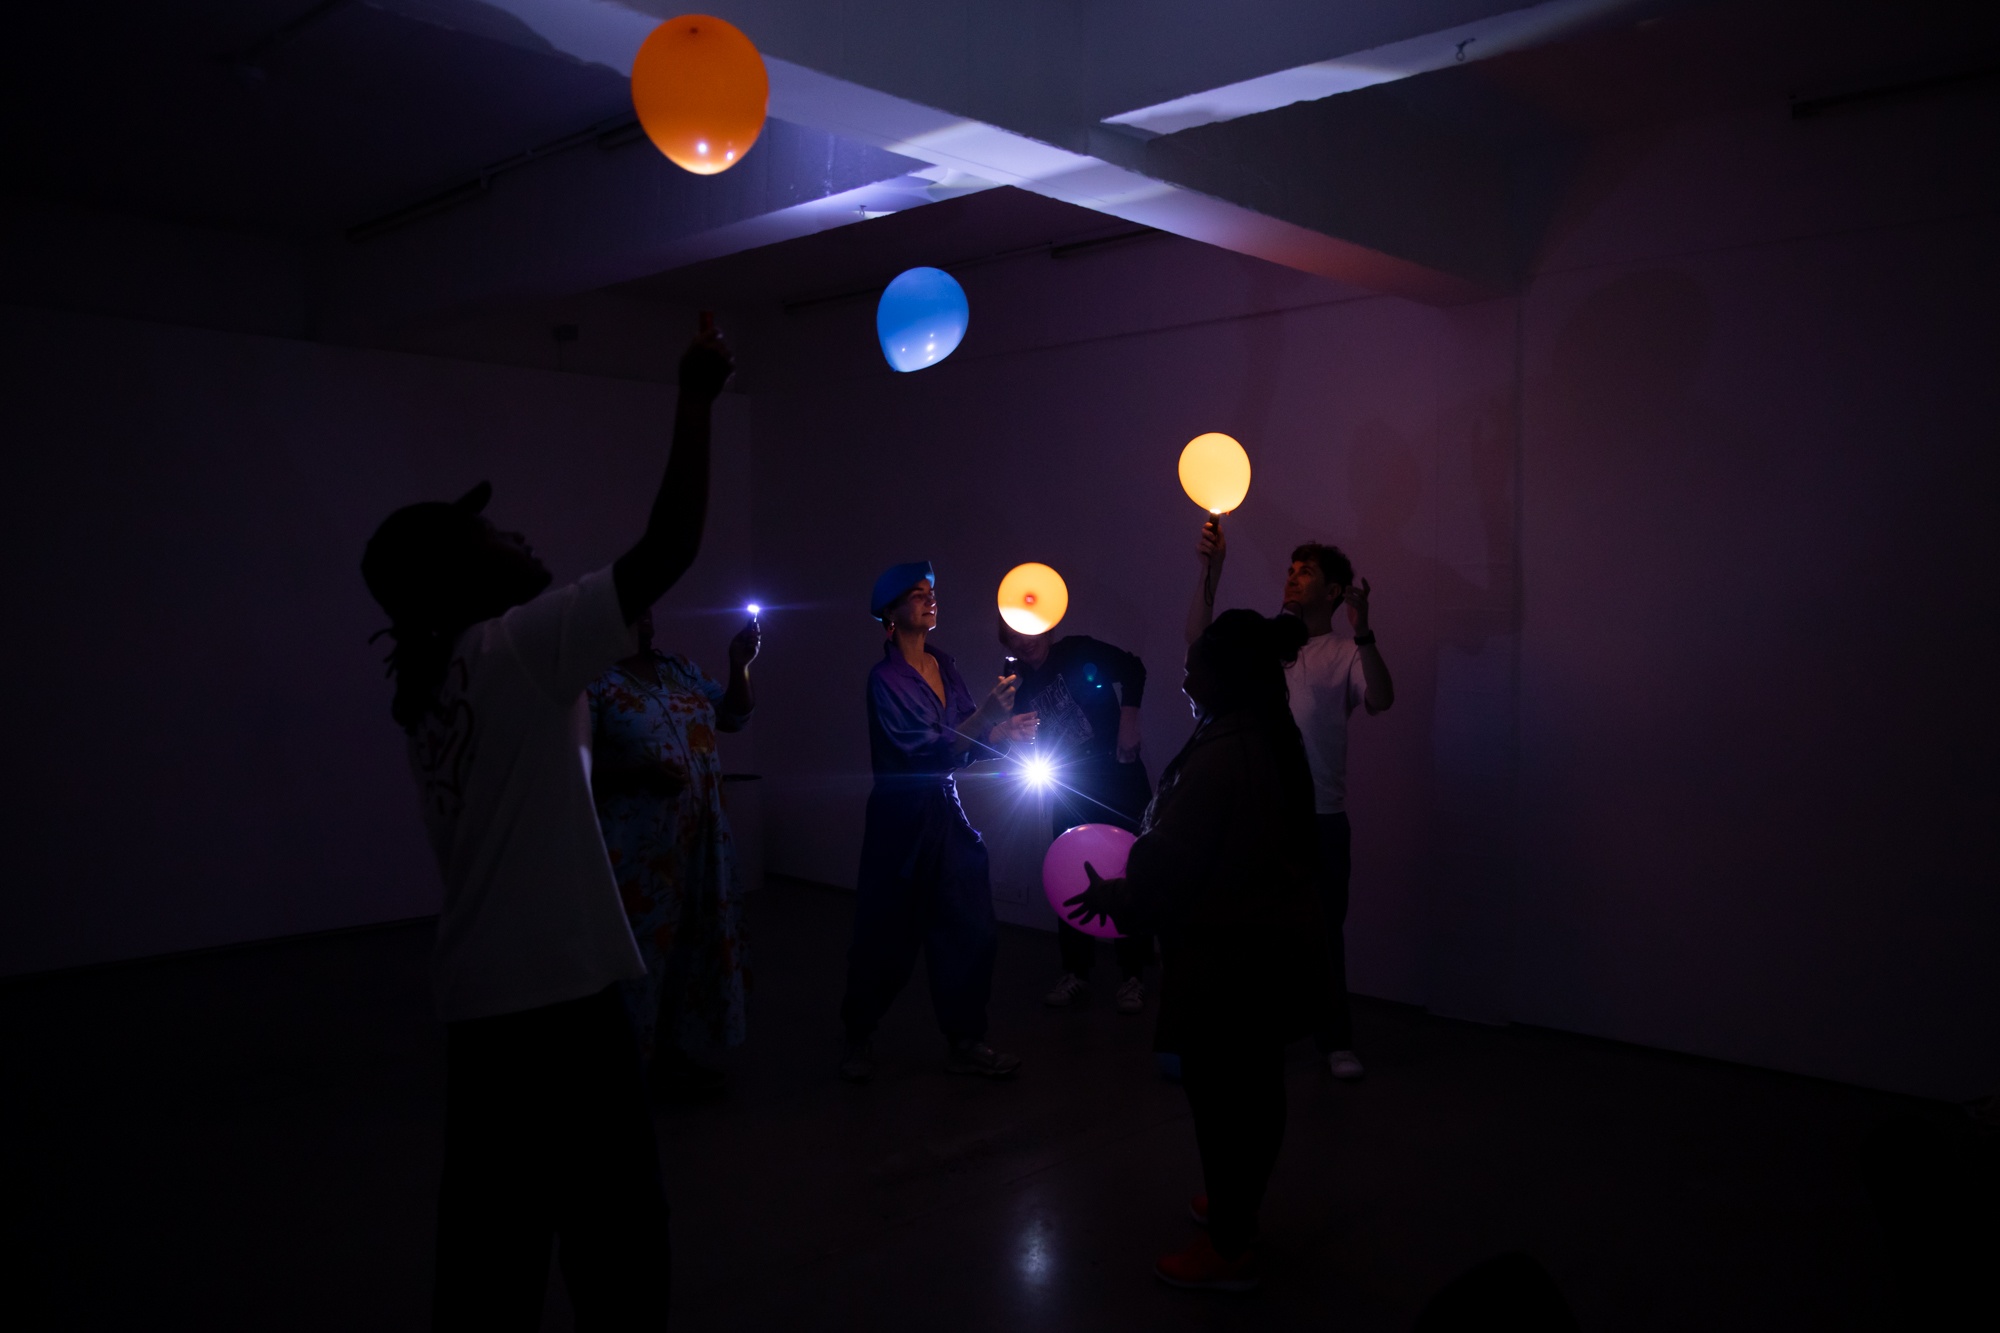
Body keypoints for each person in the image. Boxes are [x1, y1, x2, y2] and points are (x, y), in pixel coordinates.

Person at [360, 327, 733, 1330]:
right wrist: (695, 392)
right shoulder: (513, 647)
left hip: (481, 997)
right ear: (456, 575)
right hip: (558, 995)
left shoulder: (436, 685)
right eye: (492, 536)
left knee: (491, 1243)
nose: (520, 540)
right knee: (617, 1232)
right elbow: (668, 548)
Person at [1067, 609, 1327, 1291]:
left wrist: (1117, 896)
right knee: (1255, 1087)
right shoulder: (1264, 734)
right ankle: (1238, 1202)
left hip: (1225, 957)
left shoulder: (1223, 754)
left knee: (1222, 1100)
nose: (1184, 674)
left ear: (1223, 675)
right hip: (1262, 947)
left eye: (1195, 664)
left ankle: (1230, 1244)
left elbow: (1170, 860)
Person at [1187, 518, 1394, 1079]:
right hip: (1263, 813)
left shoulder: (1344, 652)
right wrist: (1213, 569)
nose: (1294, 578)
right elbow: (1199, 647)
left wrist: (1366, 629)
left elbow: (1380, 697)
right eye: (1291, 569)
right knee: (1258, 930)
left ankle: (1336, 1041)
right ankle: (1263, 1034)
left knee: (1324, 931)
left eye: (1307, 573)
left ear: (1333, 591)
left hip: (1322, 818)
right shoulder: (1266, 644)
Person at [838, 564, 1038, 1083]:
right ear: (890, 612)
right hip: (900, 821)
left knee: (970, 927)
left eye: (932, 593)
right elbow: (923, 753)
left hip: (944, 815)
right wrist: (986, 720)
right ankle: (858, 1034)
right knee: (885, 937)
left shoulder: (944, 664)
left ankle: (966, 1039)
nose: (930, 601)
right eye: (917, 595)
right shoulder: (884, 680)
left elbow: (966, 747)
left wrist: (1004, 732)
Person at [588, 606, 760, 1099]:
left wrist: (738, 664)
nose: (645, 615)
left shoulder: (678, 669)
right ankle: (624, 1064)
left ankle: (671, 1053)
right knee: (639, 949)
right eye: (632, 607)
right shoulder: (595, 683)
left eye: (648, 607)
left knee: (692, 940)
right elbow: (573, 765)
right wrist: (636, 774)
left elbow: (733, 716)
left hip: (702, 835)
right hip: (640, 845)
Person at [996, 617, 1155, 1013]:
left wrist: (1128, 722)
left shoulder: (1077, 650)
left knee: (1128, 870)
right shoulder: (1014, 677)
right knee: (1070, 871)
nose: (1024, 640)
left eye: (1029, 630)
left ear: (1046, 626)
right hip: (1068, 786)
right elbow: (1014, 734)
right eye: (1014, 633)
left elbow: (1134, 667)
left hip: (1117, 777)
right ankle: (1075, 972)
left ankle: (1133, 976)